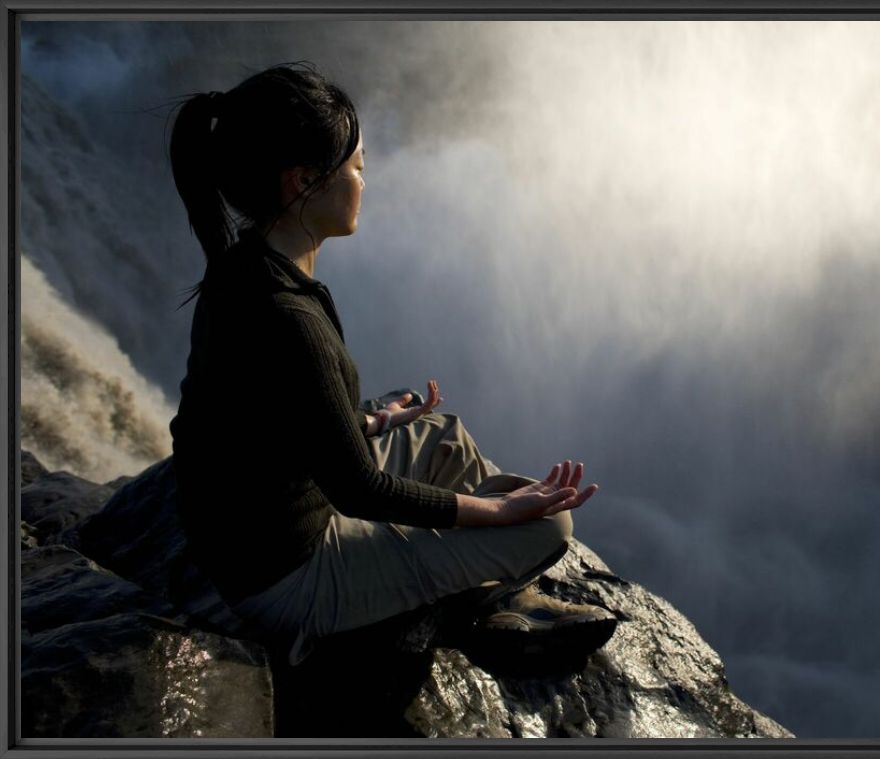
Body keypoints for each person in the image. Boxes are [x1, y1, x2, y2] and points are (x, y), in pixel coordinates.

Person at [166, 61, 616, 667]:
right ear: (301, 183)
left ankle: (475, 580)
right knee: (547, 530)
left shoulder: (244, 266)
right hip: (289, 581)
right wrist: (497, 513)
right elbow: (358, 490)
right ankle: (472, 603)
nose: (363, 181)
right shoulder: (285, 315)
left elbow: (267, 421)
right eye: (355, 167)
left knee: (440, 433)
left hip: (253, 532)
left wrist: (372, 423)